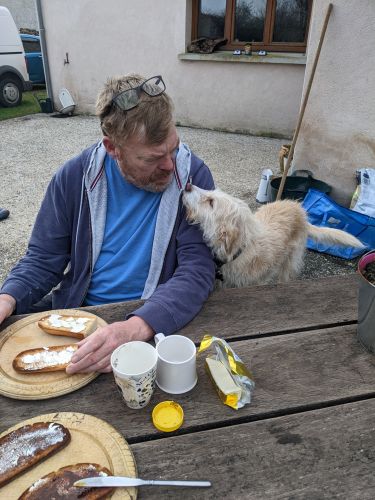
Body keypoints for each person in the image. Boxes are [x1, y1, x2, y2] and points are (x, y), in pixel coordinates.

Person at [0, 74, 215, 373]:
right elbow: (43, 259)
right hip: (83, 313)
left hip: (155, 317)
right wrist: (8, 298)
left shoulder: (194, 177)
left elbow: (198, 270)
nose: (169, 165)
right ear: (112, 148)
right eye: (152, 158)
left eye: (173, 148)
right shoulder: (74, 177)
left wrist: (137, 326)